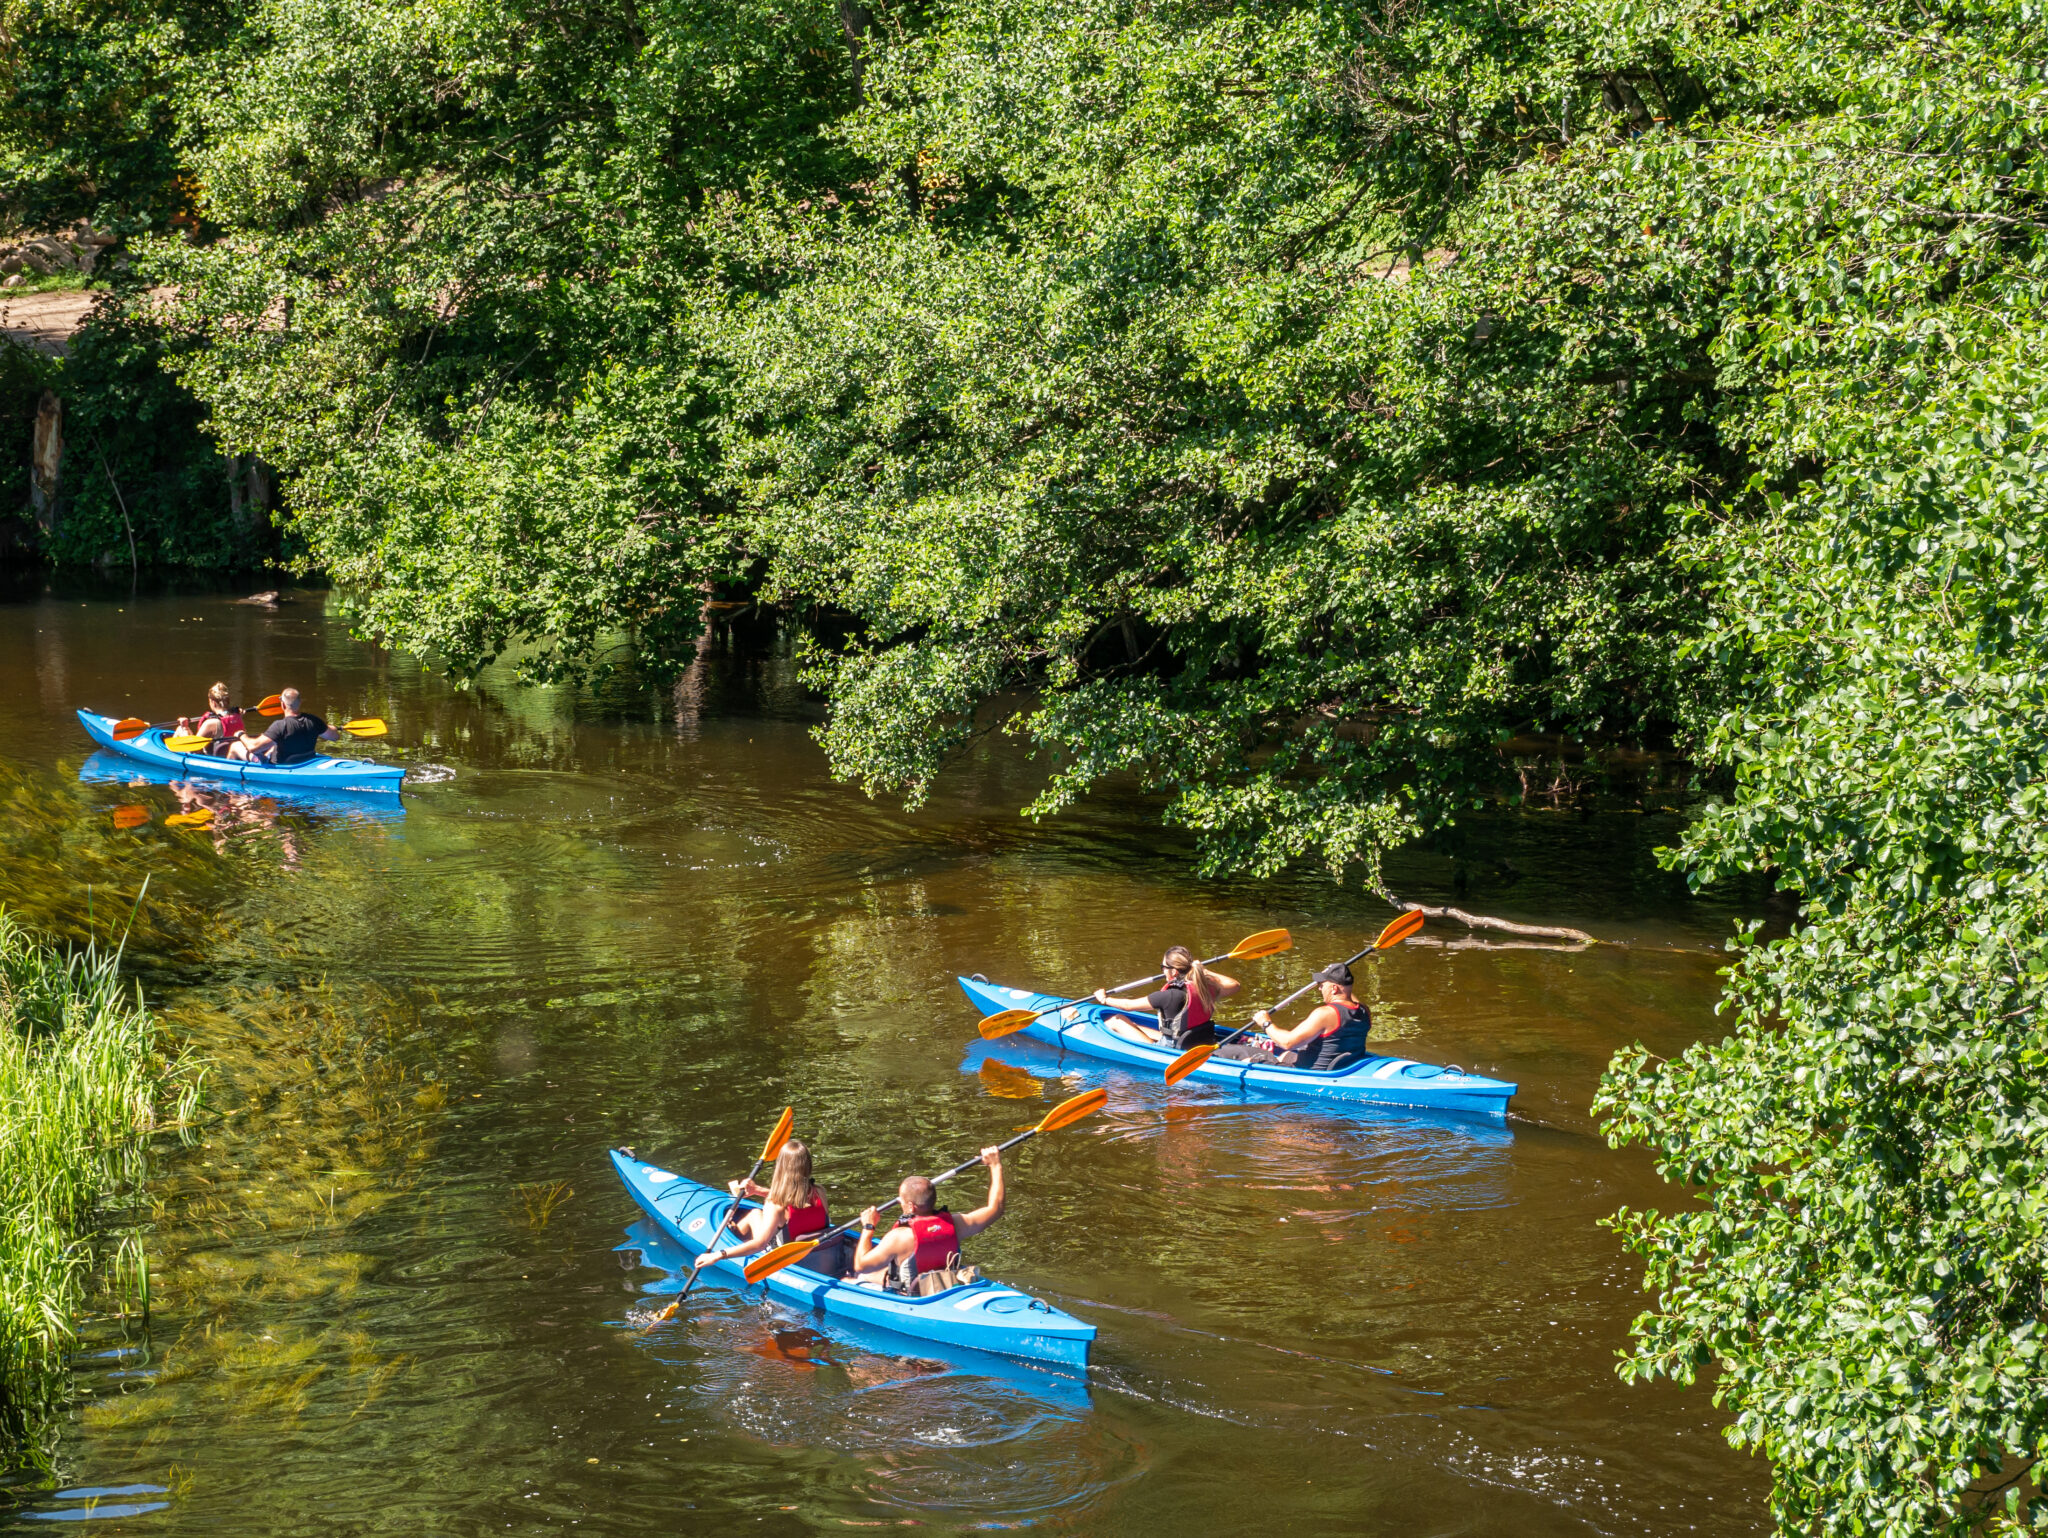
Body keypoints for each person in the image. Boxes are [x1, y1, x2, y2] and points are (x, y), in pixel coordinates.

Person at [853, 1147, 1004, 1293]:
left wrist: (868, 1226)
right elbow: (996, 1209)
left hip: (912, 1296)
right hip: (947, 1286)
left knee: (852, 1278)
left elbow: (860, 1265)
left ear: (911, 1206)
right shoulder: (956, 1224)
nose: (900, 1203)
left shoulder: (899, 1237)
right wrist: (995, 1165)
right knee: (875, 1274)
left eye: (902, 1200)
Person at [693, 1140, 845, 1273]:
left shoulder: (775, 1205)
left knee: (754, 1214)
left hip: (792, 1262)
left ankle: (731, 1232)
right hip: (823, 1259)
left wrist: (719, 1255)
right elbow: (795, 1197)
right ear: (808, 1165)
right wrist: (758, 1191)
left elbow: (760, 1244)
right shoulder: (819, 1191)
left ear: (781, 1168)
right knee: (756, 1214)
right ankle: (732, 1227)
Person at [1216, 961, 1371, 1070]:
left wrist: (1265, 1023)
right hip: (1340, 1065)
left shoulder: (1326, 1013)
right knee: (1286, 1055)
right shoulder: (1363, 1011)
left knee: (1248, 1061)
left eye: (1322, 985)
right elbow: (1348, 994)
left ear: (1334, 989)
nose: (1319, 989)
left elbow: (1288, 1042)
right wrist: (1338, 972)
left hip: (1313, 1071)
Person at [1092, 946, 1240, 1048]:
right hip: (1199, 1040)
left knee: (1117, 1020)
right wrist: (1203, 971)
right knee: (1136, 1026)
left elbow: (1128, 1006)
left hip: (1176, 1048)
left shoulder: (1168, 996)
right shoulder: (1206, 988)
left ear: (1174, 972)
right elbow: (1234, 985)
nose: (1163, 971)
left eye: (1163, 967)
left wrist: (1104, 999)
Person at [228, 687, 341, 764]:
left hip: (281, 765)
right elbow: (335, 736)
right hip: (306, 760)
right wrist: (330, 727)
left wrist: (241, 734)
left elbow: (253, 747)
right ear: (300, 703)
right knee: (273, 744)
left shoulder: (280, 726)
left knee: (235, 746)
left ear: (282, 705)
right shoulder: (313, 720)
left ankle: (229, 788)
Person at [176, 682, 243, 756]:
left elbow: (195, 749)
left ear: (213, 702)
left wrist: (185, 727)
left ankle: (170, 757)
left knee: (180, 729)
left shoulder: (211, 723)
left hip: (212, 759)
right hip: (230, 756)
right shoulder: (237, 716)